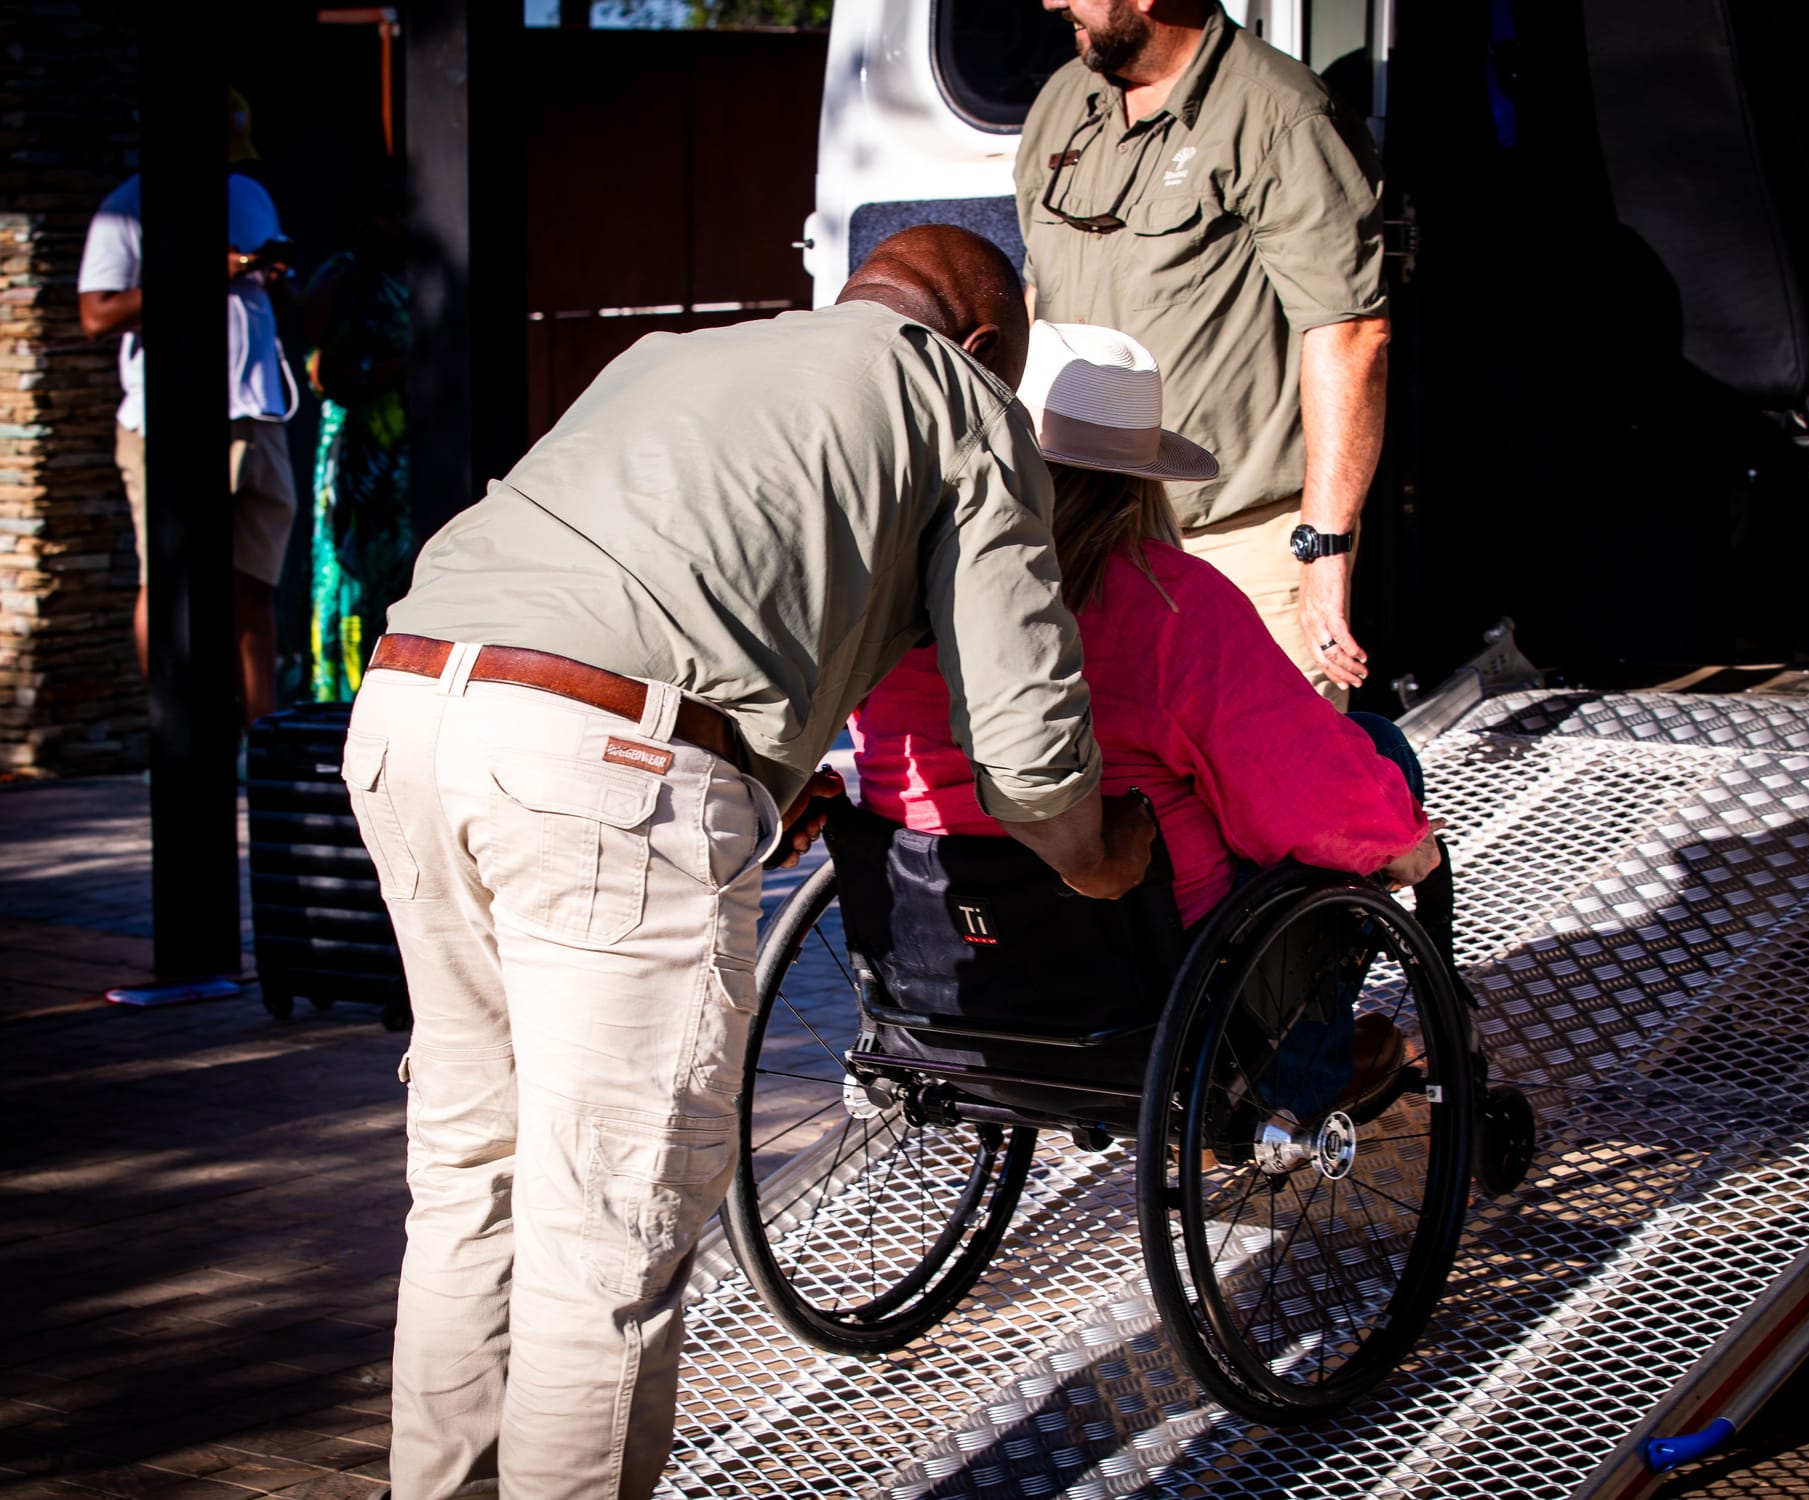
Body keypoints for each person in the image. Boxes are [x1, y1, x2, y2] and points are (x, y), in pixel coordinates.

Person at [344, 226, 1155, 1500]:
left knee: (468, 1183)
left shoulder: (680, 353)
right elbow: (1022, 725)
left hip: (408, 712)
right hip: (604, 762)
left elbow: (673, 593)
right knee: (606, 1238)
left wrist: (748, 780)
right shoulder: (957, 398)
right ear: (990, 344)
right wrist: (1093, 855)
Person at [850, 321, 1437, 1085]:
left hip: (939, 940)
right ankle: (1301, 1076)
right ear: (1135, 475)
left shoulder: (897, 591)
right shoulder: (1167, 604)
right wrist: (1399, 843)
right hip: (1143, 969)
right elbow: (1299, 792)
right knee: (1373, 750)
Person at [1015, 0, 1391, 706]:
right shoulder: (1064, 101)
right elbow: (1038, 298)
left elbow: (1348, 332)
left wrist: (1325, 553)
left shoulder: (1279, 112)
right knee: (1109, 790)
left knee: (1272, 795)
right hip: (1076, 531)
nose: (1052, 2)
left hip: (1234, 538)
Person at [76, 88, 300, 726]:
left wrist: (270, 270)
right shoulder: (126, 209)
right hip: (167, 422)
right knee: (172, 579)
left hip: (257, 410)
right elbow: (96, 313)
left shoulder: (247, 194)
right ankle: (174, 732)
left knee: (254, 583)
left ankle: (259, 733)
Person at [301, 173, 412, 701]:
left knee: (392, 569)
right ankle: (341, 695)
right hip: (353, 447)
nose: (394, 225)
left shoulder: (402, 275)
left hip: (395, 450)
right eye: (382, 213)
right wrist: (393, 369)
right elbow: (322, 369)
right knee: (345, 576)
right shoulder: (340, 276)